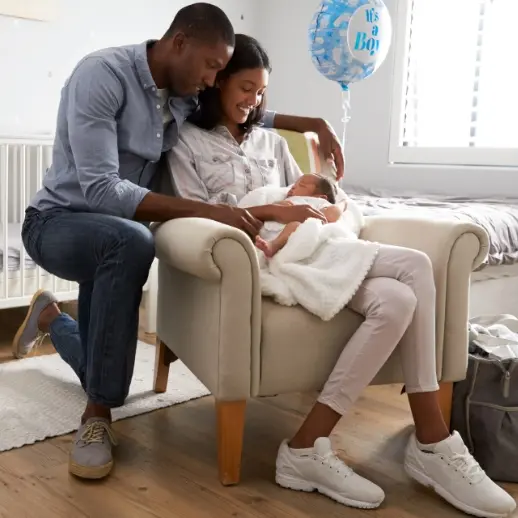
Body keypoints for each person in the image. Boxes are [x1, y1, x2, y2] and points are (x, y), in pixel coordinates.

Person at [167, 33, 517, 517]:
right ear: (218, 83)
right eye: (245, 88)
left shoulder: (271, 141)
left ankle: (308, 445)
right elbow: (195, 214)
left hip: (317, 250)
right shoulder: (186, 141)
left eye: (262, 92)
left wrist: (327, 208)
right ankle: (433, 440)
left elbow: (313, 195)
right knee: (414, 266)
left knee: (397, 301)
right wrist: (276, 213)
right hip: (260, 256)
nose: (255, 100)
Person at [13, 3, 344, 481]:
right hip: (58, 222)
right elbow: (103, 190)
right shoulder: (101, 75)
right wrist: (220, 212)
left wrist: (313, 123)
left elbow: (248, 108)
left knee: (104, 366)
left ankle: (49, 318)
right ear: (180, 42)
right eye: (212, 66)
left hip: (112, 240)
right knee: (130, 242)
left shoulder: (186, 93)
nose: (214, 79)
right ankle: (96, 420)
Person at [253, 174, 343, 257]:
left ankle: (273, 246)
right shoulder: (288, 199)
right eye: (294, 184)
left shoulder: (318, 202)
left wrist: (342, 204)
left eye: (302, 185)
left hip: (291, 235)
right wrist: (283, 205)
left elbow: (332, 214)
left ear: (321, 197)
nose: (293, 187)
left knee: (295, 225)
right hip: (266, 231)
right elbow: (272, 209)